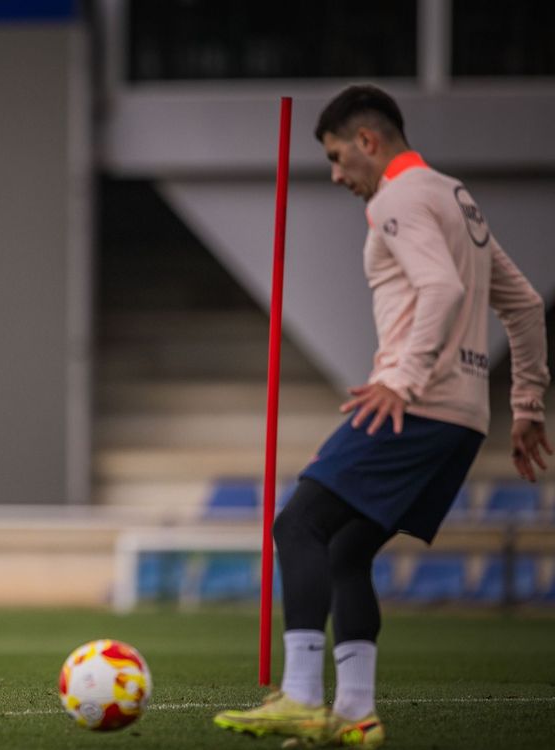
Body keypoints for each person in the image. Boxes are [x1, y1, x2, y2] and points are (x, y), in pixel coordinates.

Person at [213, 84, 550, 747]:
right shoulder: (456, 196)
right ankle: (355, 713)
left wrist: (399, 378)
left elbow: (442, 288)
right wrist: (528, 404)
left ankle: (305, 697)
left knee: (298, 523)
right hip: (462, 418)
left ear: (367, 141)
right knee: (346, 550)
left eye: (338, 158)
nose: (337, 175)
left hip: (415, 404)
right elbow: (528, 306)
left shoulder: (398, 198)